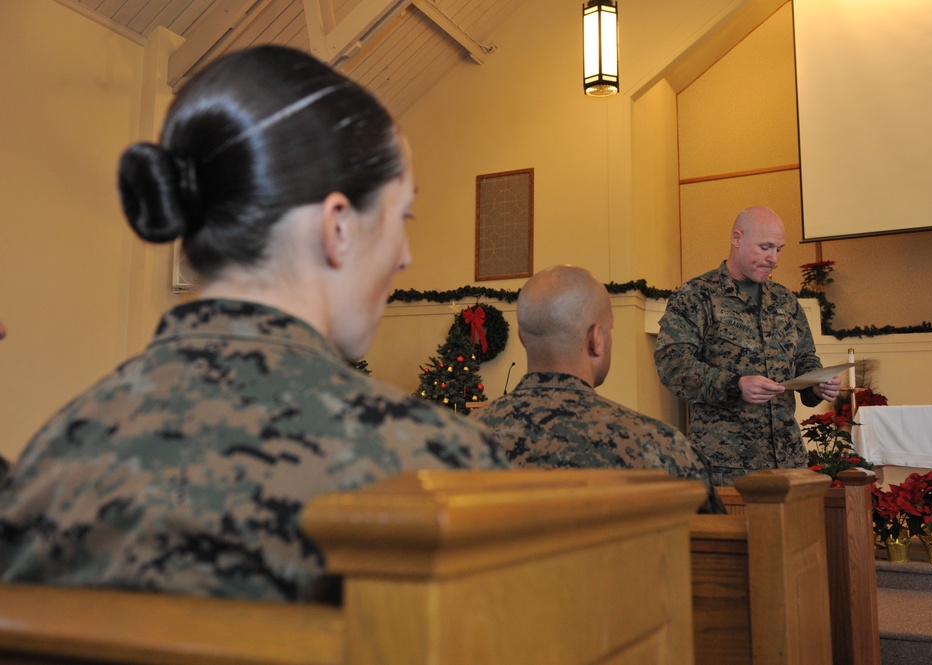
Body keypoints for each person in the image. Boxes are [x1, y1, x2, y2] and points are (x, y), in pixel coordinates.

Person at [0, 46, 506, 602]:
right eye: (401, 216)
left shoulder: (50, 464)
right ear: (337, 226)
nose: (405, 256)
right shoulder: (440, 474)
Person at [470, 265, 724, 513]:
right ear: (597, 339)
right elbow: (712, 544)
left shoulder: (463, 443)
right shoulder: (662, 448)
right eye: (609, 330)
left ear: (522, 338)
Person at [654, 206, 840, 486]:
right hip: (726, 466)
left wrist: (817, 383)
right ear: (737, 238)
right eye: (765, 247)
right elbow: (673, 364)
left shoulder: (785, 301)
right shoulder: (696, 296)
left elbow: (804, 357)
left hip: (788, 462)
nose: (773, 259)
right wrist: (734, 385)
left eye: (779, 249)